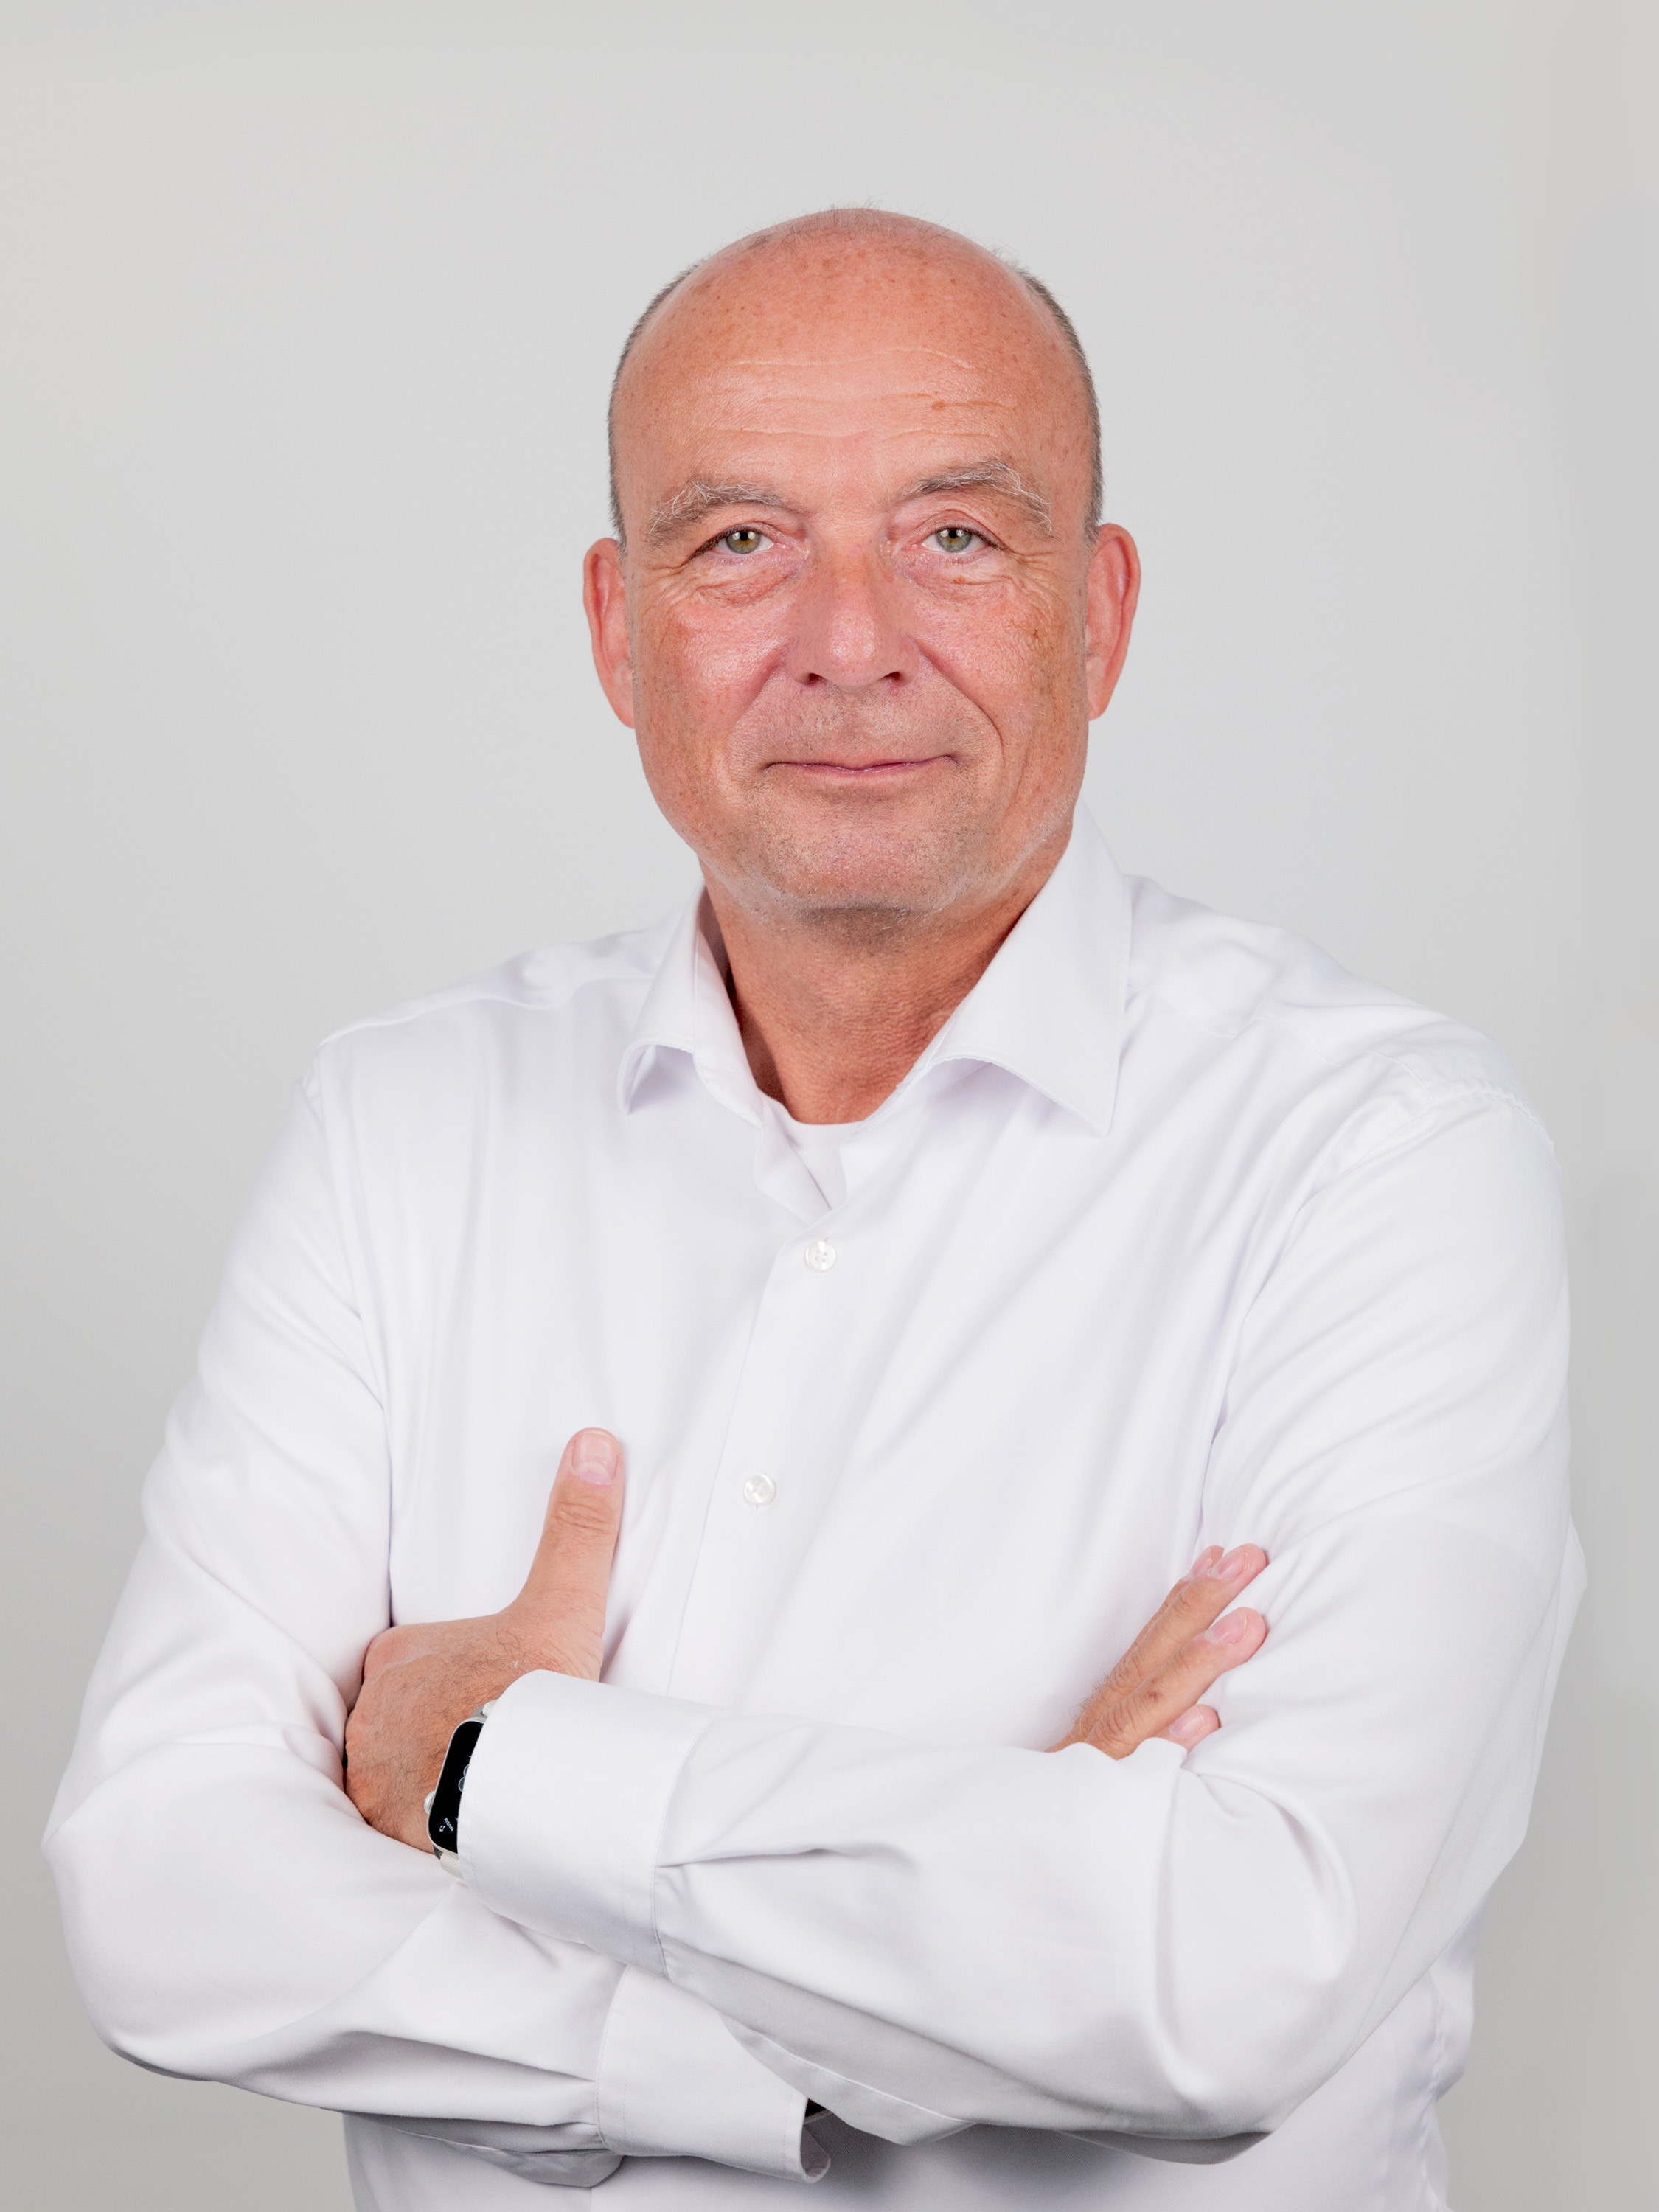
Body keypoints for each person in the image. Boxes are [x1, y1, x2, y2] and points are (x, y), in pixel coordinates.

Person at [46, 209, 1582, 2212]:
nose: (850, 642)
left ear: (1099, 611)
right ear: (618, 629)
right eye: (739, 541)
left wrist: (485, 1767)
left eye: (956, 535)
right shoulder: (401, 1124)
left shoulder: (1377, 1151)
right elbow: (159, 1894)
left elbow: (1234, 1976)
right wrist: (923, 1987)